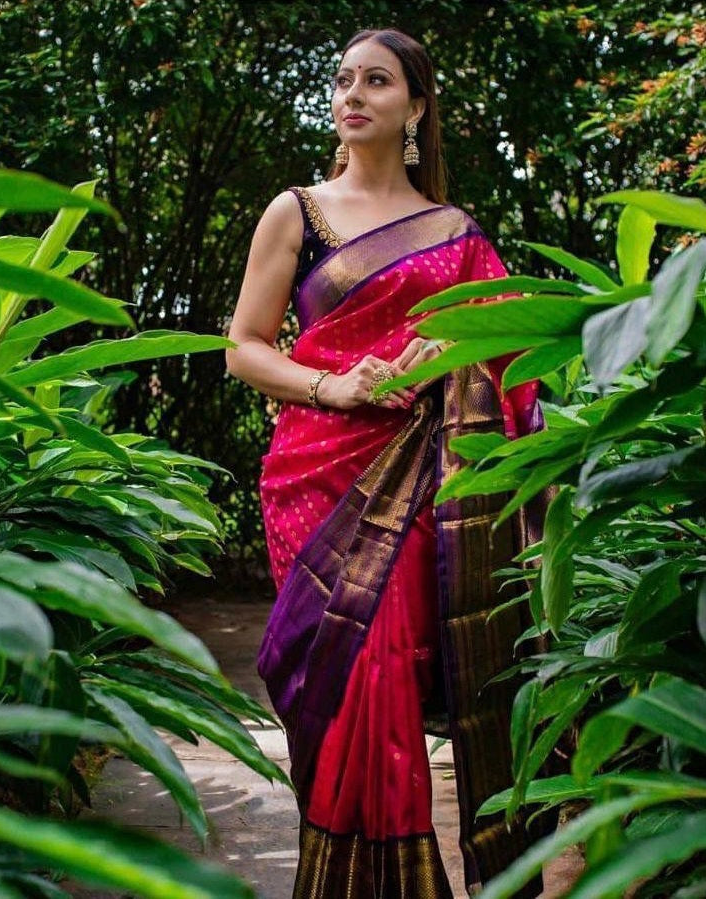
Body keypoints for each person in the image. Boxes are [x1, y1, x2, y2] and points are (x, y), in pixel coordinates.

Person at [226, 27, 552, 899]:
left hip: (423, 481)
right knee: (326, 681)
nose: (354, 94)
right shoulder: (297, 211)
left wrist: (449, 351)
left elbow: (516, 355)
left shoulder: (454, 233)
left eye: (377, 81)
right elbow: (246, 348)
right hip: (317, 474)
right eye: (343, 80)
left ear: (414, 106)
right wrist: (333, 386)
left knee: (383, 675)